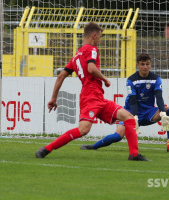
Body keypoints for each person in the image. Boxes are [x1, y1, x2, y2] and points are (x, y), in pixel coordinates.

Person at [35, 22, 149, 161]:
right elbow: (91, 69)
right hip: (91, 98)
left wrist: (53, 98)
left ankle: (134, 154)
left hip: (97, 98)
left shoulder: (76, 56)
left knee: (129, 117)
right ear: (94, 35)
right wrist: (105, 79)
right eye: (100, 37)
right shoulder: (92, 49)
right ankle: (46, 149)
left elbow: (60, 76)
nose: (99, 40)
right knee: (83, 130)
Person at [81, 53, 169, 151]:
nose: (145, 67)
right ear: (137, 65)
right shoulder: (131, 80)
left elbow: (159, 97)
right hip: (130, 113)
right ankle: (94, 146)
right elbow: (133, 101)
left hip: (149, 112)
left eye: (147, 64)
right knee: (117, 136)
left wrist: (163, 113)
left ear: (150, 64)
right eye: (142, 64)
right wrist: (134, 117)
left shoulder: (156, 79)